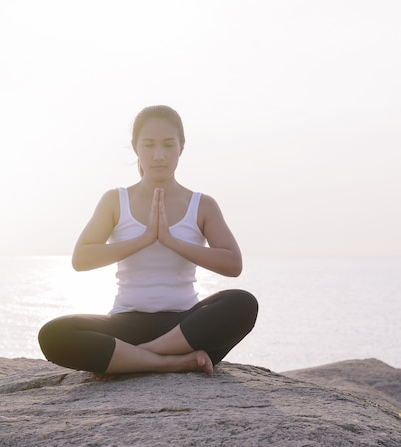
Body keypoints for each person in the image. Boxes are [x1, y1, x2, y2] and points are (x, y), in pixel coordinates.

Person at [38, 105, 258, 378]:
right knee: (54, 334)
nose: (159, 155)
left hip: (185, 326)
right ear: (135, 147)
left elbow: (233, 264)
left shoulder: (202, 205)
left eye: (168, 145)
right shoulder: (115, 201)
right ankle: (171, 363)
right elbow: (81, 259)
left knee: (243, 304)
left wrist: (171, 241)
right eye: (149, 145)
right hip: (125, 323)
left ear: (182, 147)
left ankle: (135, 358)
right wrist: (144, 239)